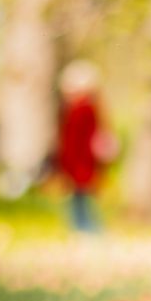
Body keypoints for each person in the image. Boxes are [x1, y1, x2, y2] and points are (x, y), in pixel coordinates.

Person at [55, 60, 107, 233]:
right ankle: (88, 232)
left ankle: (88, 234)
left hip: (79, 166)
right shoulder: (90, 108)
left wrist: (66, 166)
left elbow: (75, 143)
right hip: (83, 166)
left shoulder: (81, 110)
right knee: (82, 202)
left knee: (81, 204)